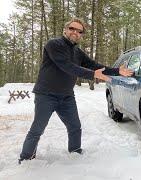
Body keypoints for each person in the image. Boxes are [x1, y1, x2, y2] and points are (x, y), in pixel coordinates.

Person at [19, 18, 133, 164]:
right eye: (72, 29)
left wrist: (117, 71)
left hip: (66, 96)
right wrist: (93, 75)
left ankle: (75, 154)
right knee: (37, 129)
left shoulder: (77, 52)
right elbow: (66, 66)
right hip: (46, 95)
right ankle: (26, 159)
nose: (75, 32)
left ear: (81, 35)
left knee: (75, 127)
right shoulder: (53, 44)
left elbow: (94, 65)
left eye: (79, 31)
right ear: (65, 30)